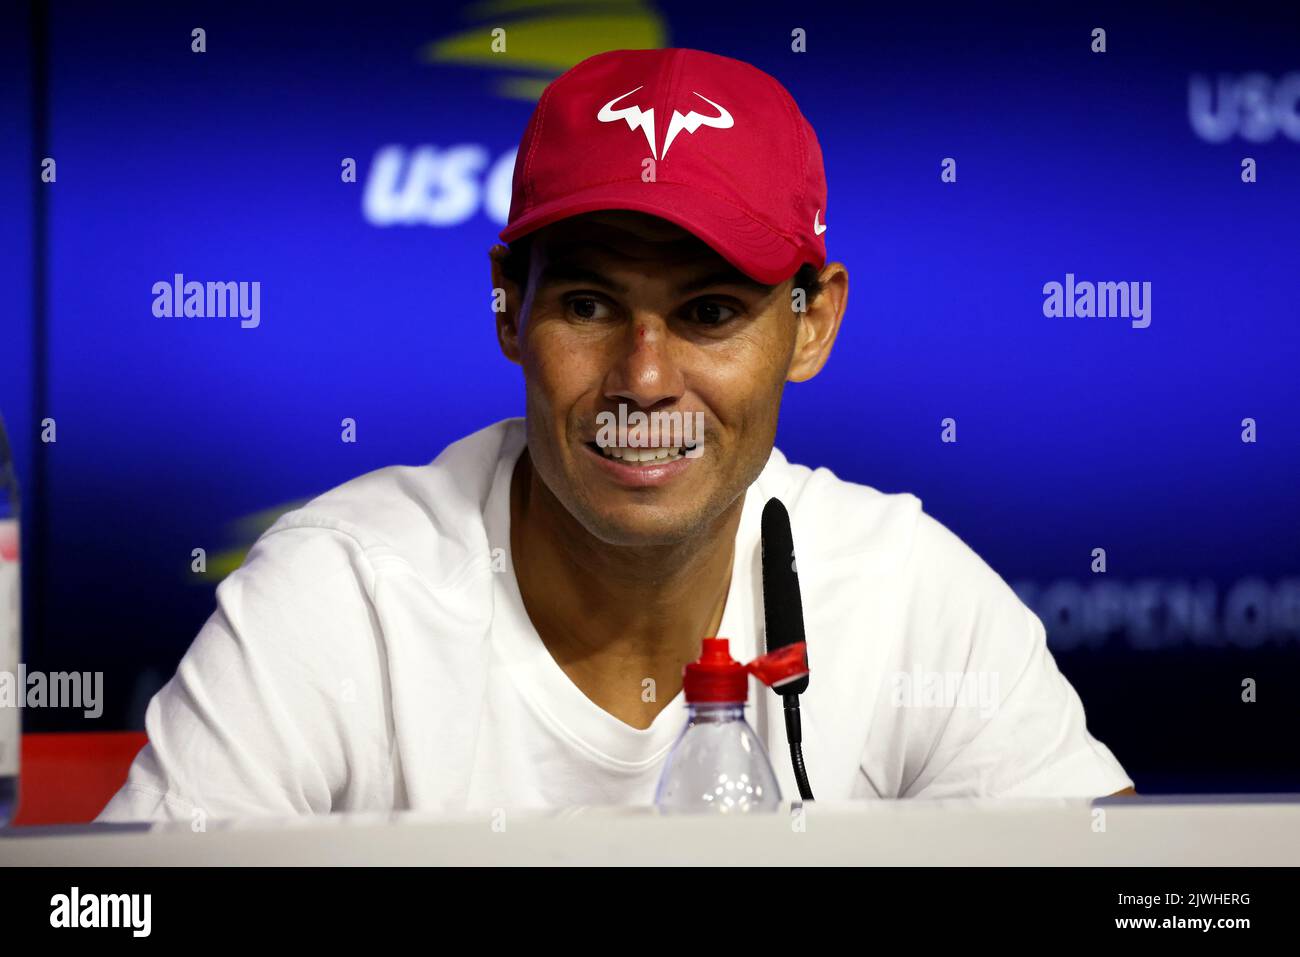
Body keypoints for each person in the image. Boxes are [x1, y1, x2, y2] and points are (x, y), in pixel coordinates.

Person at [97, 47, 1132, 823]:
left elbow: (1153, 902)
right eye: (590, 305)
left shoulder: (907, 594)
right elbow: (120, 916)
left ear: (809, 323)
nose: (642, 378)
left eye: (710, 312)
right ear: (509, 310)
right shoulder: (343, 596)